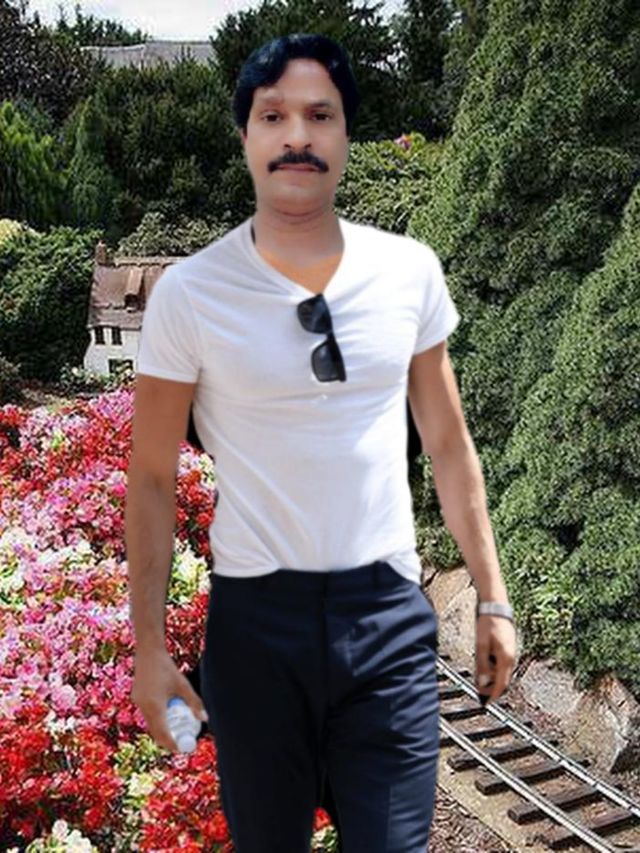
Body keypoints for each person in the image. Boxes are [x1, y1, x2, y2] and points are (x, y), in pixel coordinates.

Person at [126, 32, 517, 853]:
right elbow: (153, 476)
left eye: (320, 114)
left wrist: (491, 594)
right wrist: (150, 647)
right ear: (246, 134)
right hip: (256, 631)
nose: (297, 136)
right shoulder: (190, 295)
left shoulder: (408, 271)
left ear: (344, 132)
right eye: (274, 116)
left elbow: (448, 441)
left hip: (386, 622)